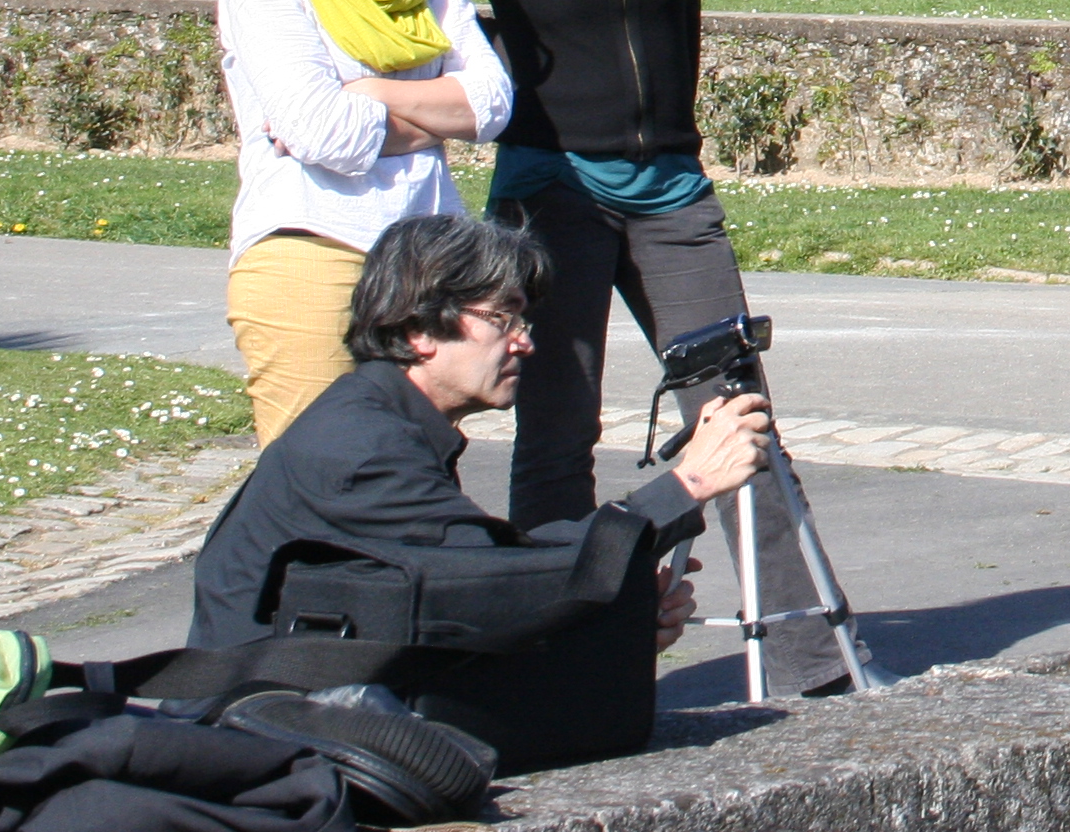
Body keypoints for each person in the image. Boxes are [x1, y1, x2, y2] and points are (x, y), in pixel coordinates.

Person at [410, 0, 855, 696]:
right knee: (557, 434)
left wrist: (677, 137)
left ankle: (812, 665)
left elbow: (681, 13)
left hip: (672, 193)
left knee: (740, 420)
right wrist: (458, 75)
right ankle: (562, 660)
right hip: (552, 190)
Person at [189, 214, 766, 653]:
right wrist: (687, 484)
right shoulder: (364, 451)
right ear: (419, 329)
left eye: (524, 321)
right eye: (502, 318)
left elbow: (473, 588)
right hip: (268, 736)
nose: (524, 342)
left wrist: (615, 612)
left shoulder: (383, 420)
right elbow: (499, 582)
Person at [215, 0, 514, 443]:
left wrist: (366, 93)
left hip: (426, 264)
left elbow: (493, 104)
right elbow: (321, 133)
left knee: (418, 484)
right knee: (319, 488)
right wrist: (435, 118)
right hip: (310, 251)